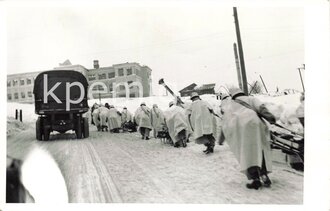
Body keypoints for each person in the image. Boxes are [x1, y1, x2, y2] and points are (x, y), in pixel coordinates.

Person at [220, 87, 276, 190]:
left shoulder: (229, 105)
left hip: (240, 131)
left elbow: (225, 122)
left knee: (247, 154)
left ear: (233, 95)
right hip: (255, 126)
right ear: (242, 92)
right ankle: (264, 174)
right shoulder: (251, 99)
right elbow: (261, 108)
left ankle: (255, 179)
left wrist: (221, 138)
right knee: (259, 149)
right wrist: (270, 118)